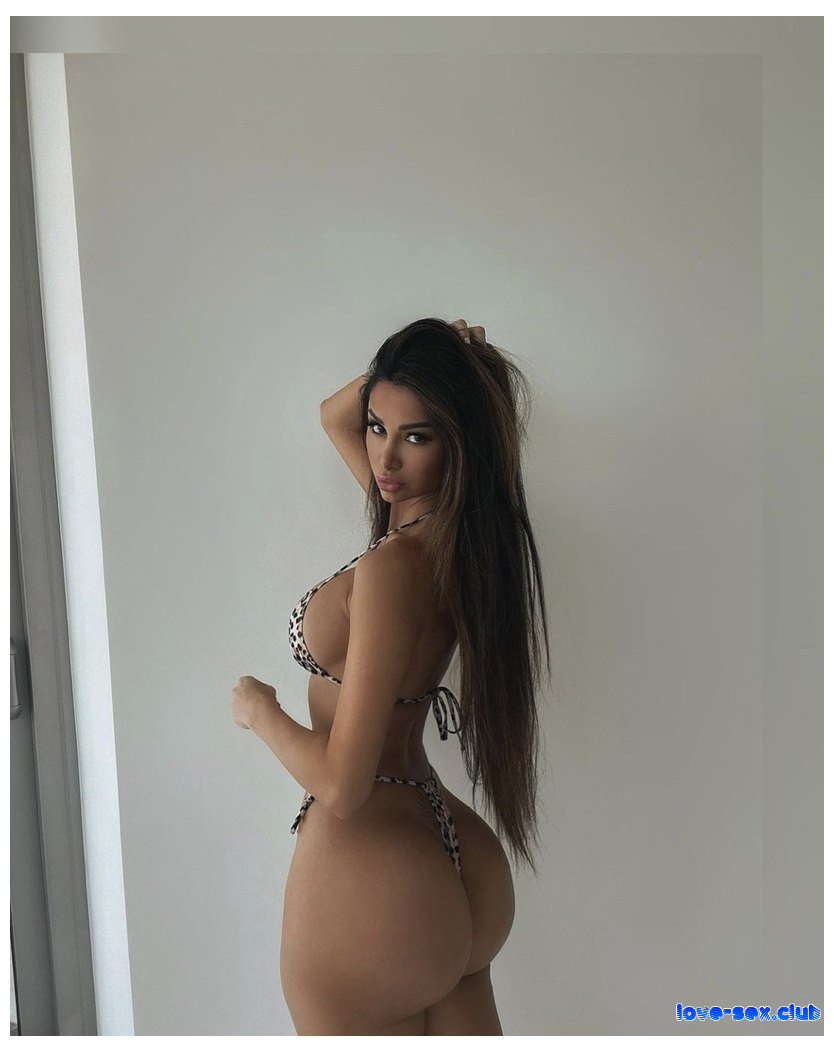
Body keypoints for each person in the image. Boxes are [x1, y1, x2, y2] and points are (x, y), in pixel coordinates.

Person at [234, 317, 550, 1035]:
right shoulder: (458, 540)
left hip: (375, 872)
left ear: (460, 442)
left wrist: (261, 713)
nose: (385, 457)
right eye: (378, 428)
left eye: (418, 436)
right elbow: (333, 416)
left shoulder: (392, 566)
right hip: (455, 855)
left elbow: (342, 786)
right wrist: (443, 358)